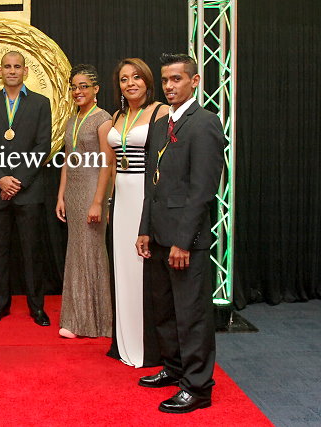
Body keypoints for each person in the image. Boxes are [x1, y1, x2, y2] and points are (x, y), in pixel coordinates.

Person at [136, 53, 224, 413]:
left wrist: (183, 242)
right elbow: (151, 184)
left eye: (177, 79)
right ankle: (173, 369)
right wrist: (144, 229)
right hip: (158, 235)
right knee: (165, 311)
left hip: (185, 240)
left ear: (194, 80)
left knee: (192, 316)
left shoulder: (204, 123)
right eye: (165, 80)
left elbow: (202, 191)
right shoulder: (161, 123)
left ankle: (198, 387)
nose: (169, 86)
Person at [0, 51, 52, 327]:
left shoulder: (41, 103)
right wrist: (0, 179)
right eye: (7, 66)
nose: (12, 71)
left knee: (32, 253)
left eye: (17, 66)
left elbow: (43, 146)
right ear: (0, 71)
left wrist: (17, 180)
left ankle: (37, 307)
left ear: (25, 71)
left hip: (28, 191)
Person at [106, 58, 168, 366]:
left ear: (147, 81)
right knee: (123, 268)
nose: (130, 83)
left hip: (146, 197)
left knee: (146, 269)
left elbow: (166, 163)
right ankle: (124, 341)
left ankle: (150, 347)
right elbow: (110, 164)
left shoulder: (161, 112)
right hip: (121, 199)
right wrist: (106, 201)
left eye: (136, 77)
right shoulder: (117, 116)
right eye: (124, 79)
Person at [55, 64, 115, 338]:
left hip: (93, 190)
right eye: (74, 87)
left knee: (91, 252)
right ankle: (78, 319)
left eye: (83, 87)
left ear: (96, 89)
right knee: (77, 252)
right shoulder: (72, 119)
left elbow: (108, 163)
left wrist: (99, 202)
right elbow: (67, 160)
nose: (78, 91)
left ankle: (94, 322)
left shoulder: (103, 119)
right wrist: (61, 195)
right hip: (74, 192)